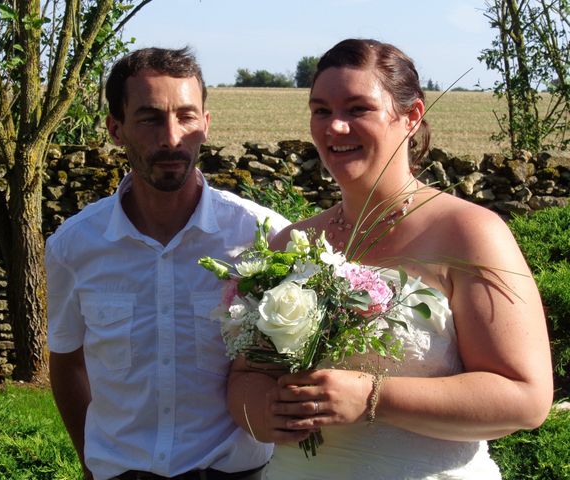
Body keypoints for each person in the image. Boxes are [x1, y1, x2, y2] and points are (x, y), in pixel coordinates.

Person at [227, 39, 553, 479]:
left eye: (357, 109)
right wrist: (266, 412)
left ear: (412, 116)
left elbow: (525, 398)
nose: (334, 128)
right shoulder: (291, 242)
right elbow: (243, 378)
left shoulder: (470, 233)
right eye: (321, 110)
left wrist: (372, 396)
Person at [46, 47, 289, 480]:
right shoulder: (74, 246)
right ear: (116, 129)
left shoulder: (263, 237)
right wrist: (93, 461)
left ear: (207, 125)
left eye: (187, 116)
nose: (172, 137)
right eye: (150, 118)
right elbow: (67, 362)